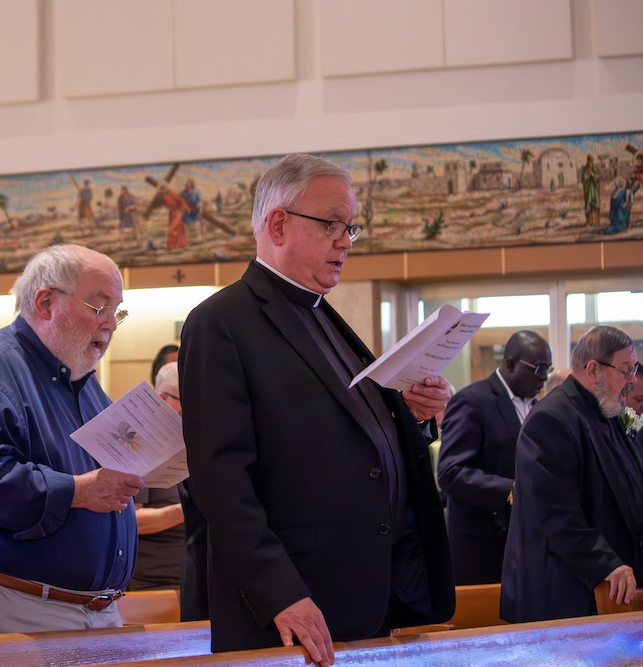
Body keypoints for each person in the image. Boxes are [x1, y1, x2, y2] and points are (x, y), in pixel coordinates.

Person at [178, 154, 454, 663]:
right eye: (331, 225)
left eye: (351, 227)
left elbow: (344, 437)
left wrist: (413, 418)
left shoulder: (326, 317)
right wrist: (279, 590)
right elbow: (219, 477)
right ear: (278, 224)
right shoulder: (222, 321)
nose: (345, 241)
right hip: (293, 603)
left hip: (365, 591)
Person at [0, 243, 144, 637]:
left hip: (91, 609)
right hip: (14, 604)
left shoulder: (83, 381)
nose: (111, 324)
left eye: (118, 311)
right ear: (46, 303)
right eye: (100, 308)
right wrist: (77, 491)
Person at [501, 325, 643, 623]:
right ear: (593, 369)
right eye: (626, 369)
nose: (632, 380)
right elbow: (553, 512)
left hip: (609, 586)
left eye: (634, 368)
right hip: (564, 592)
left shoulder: (606, 411)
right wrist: (605, 562)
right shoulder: (551, 419)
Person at [436, 330, 552, 585]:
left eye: (548, 369)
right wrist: (510, 491)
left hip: (528, 541)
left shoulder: (537, 407)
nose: (544, 377)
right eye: (539, 368)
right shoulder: (472, 401)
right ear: (510, 363)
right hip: (484, 544)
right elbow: (450, 472)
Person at [128, 361, 185, 591]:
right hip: (156, 582)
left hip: (198, 575)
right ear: (161, 398)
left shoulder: (197, 440)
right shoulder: (140, 447)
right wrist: (187, 510)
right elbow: (133, 521)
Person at [581, 155, 601, 225]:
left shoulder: (595, 168)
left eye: (591, 162)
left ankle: (596, 221)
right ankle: (588, 221)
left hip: (595, 191)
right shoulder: (585, 169)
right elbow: (583, 179)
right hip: (588, 191)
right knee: (588, 205)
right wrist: (587, 175)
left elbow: (598, 177)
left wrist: (593, 175)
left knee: (595, 204)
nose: (590, 164)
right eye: (589, 161)